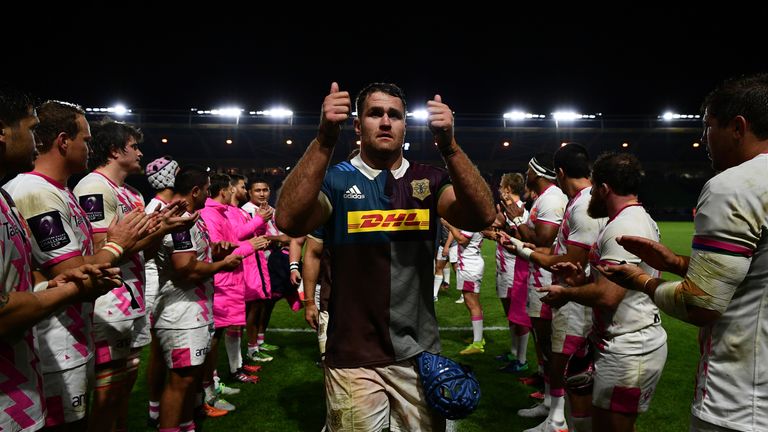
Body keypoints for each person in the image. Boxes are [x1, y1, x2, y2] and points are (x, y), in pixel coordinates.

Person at [275, 82, 494, 431]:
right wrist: (324, 140)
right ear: (358, 126)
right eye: (375, 113)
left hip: (418, 354)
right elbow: (287, 219)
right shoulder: (335, 180)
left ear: (406, 124)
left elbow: (483, 216)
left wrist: (449, 146)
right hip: (352, 356)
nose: (386, 122)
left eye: (395, 115)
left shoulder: (429, 179)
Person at [599, 73, 768, 432]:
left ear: (737, 127)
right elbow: (755, 274)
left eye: (708, 127)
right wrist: (675, 263)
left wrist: (642, 280)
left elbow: (701, 304)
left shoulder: (735, 185)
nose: (703, 139)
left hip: (740, 402)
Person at [3, 100, 154, 431]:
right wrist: (117, 243)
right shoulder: (35, 191)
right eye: (86, 140)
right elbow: (71, 270)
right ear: (63, 141)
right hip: (53, 340)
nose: (90, 147)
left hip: (70, 334)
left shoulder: (59, 190)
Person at [538, 152, 667, 432]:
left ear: (604, 189)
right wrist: (581, 279)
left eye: (594, 187)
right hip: (622, 342)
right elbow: (616, 283)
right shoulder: (630, 218)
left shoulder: (624, 227)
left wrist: (567, 293)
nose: (590, 195)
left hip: (630, 348)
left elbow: (609, 295)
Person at [503, 143, 605, 432]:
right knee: (558, 356)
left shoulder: (583, 204)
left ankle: (558, 420)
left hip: (574, 296)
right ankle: (556, 415)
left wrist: (526, 250)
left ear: (560, 173)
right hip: (568, 291)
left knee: (565, 359)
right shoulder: (580, 199)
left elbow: (572, 261)